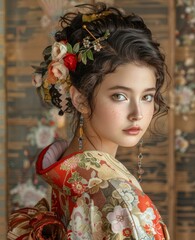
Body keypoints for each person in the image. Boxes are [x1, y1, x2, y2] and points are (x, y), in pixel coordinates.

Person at [7, 2, 170, 240]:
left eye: (147, 96)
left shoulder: (66, 176)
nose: (138, 113)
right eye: (120, 96)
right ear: (80, 99)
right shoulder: (117, 197)